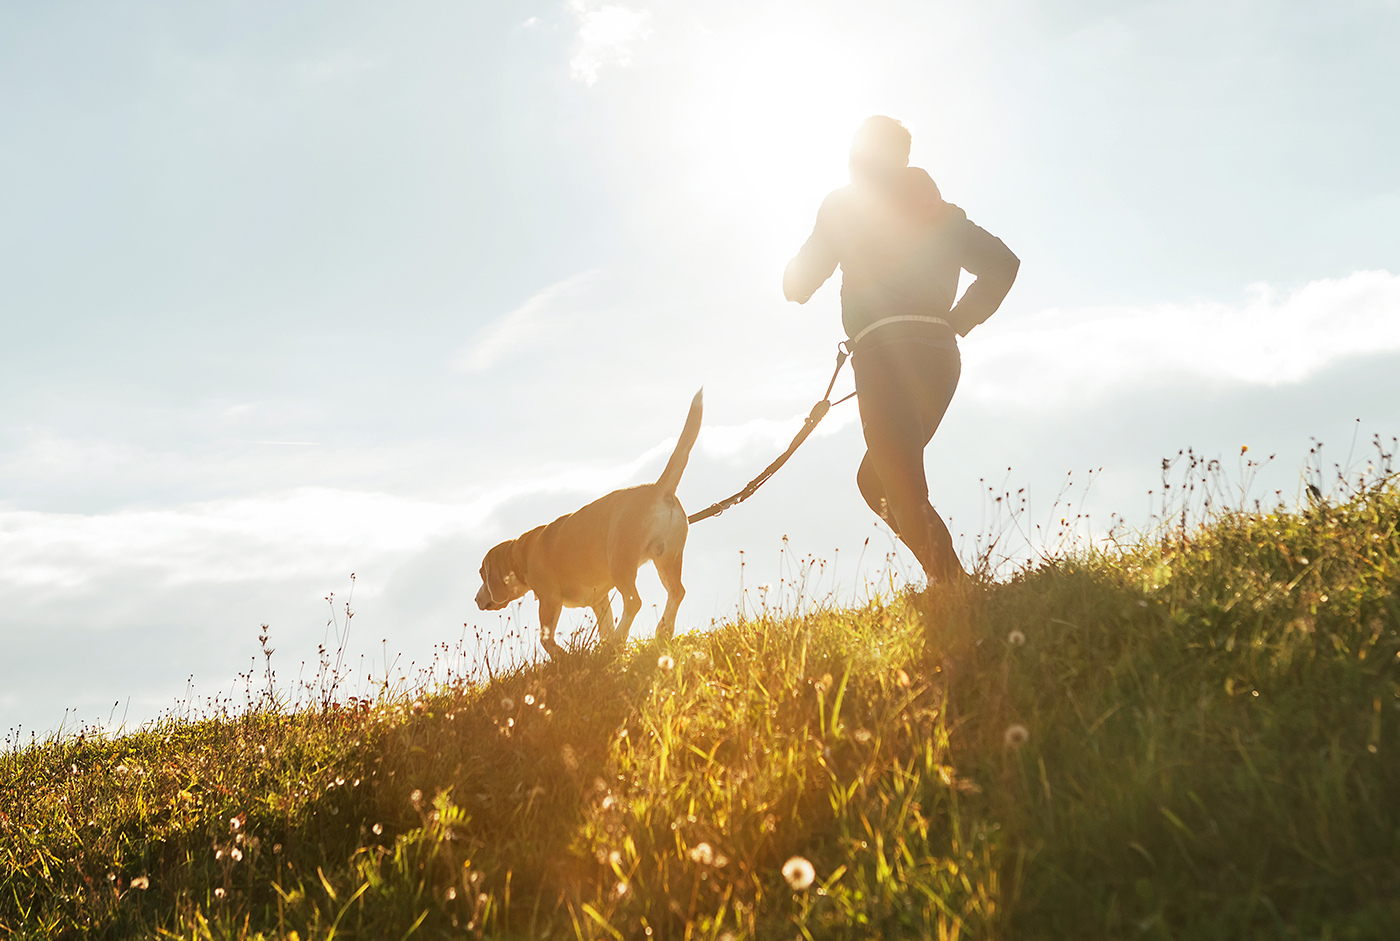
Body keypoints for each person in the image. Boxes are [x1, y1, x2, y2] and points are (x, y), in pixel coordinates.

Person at [784, 115, 1019, 584]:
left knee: (897, 482)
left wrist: (798, 271)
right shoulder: (942, 212)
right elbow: (1003, 264)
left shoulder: (844, 206)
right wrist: (958, 320)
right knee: (877, 480)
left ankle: (955, 589)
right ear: (904, 157)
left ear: (857, 156)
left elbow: (799, 284)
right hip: (938, 355)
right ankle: (948, 581)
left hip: (885, 356)